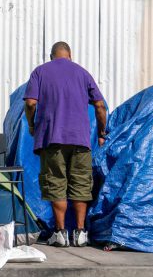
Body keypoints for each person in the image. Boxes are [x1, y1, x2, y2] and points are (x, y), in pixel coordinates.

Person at [23, 42, 107, 248]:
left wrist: (32, 125)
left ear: (52, 56)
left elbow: (30, 103)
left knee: (56, 182)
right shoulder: (82, 73)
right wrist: (102, 132)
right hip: (80, 139)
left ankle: (60, 233)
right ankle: (80, 233)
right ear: (70, 55)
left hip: (52, 138)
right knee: (80, 184)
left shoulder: (40, 72)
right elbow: (99, 105)